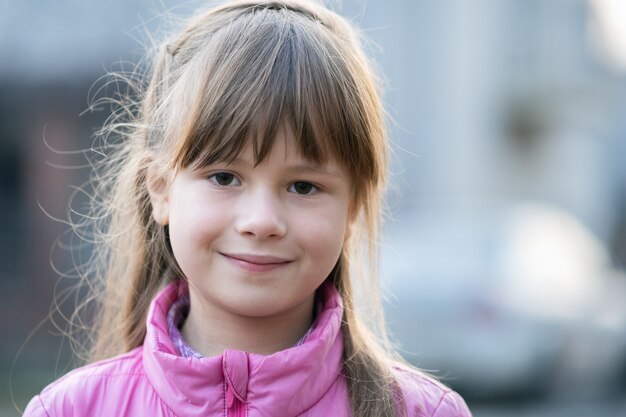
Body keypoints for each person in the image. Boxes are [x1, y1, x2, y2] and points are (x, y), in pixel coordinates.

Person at [23, 1, 472, 416]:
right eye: (224, 178)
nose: (261, 221)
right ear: (161, 189)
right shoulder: (71, 409)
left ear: (352, 207)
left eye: (303, 185)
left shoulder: (423, 412)